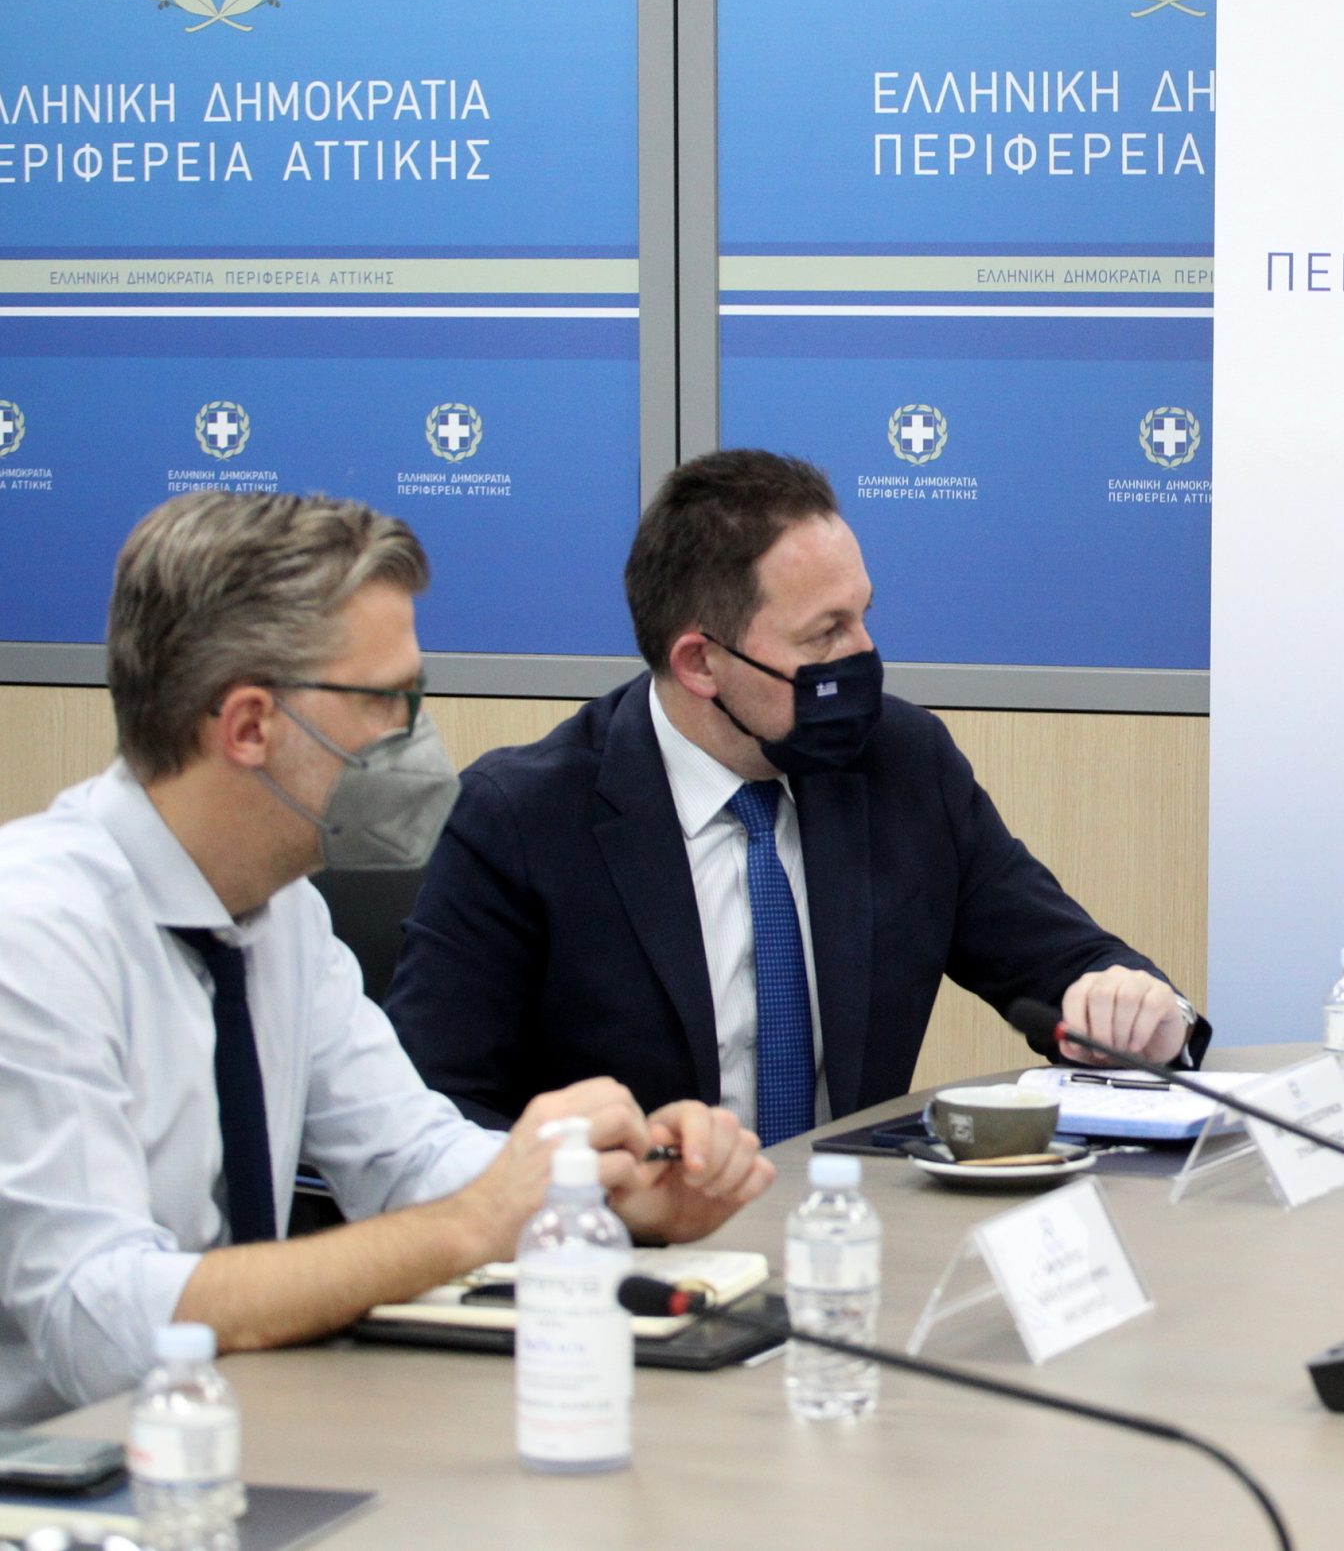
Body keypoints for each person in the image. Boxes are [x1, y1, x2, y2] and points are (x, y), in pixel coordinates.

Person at [0, 492, 772, 1426]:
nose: (416, 733)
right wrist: (467, 1224)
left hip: (231, 1433)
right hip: (56, 1467)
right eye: (387, 700)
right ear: (248, 726)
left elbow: (409, 1157)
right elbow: (96, 1322)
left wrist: (604, 1187)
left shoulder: (279, 912)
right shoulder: (34, 932)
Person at [386, 450, 1205, 1140]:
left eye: (863, 617)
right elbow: (433, 1114)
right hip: (629, 1252)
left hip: (846, 1234)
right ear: (700, 664)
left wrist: (1146, 1014)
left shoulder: (901, 764)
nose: (866, 655)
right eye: (826, 632)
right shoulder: (520, 819)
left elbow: (1067, 962)